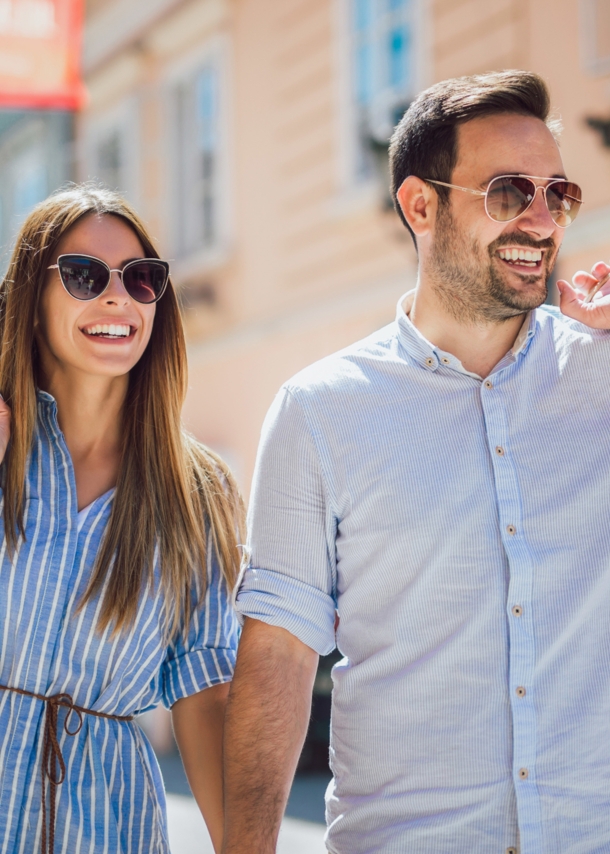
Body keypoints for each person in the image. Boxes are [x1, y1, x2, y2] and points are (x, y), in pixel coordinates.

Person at [222, 70, 610, 854]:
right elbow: (278, 660)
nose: (542, 221)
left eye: (557, 195)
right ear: (420, 205)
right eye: (508, 192)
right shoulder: (319, 409)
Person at [0, 184, 243, 854]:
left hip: (106, 828)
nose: (118, 299)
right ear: (31, 295)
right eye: (84, 276)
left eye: (142, 280)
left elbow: (205, 695)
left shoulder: (198, 491)